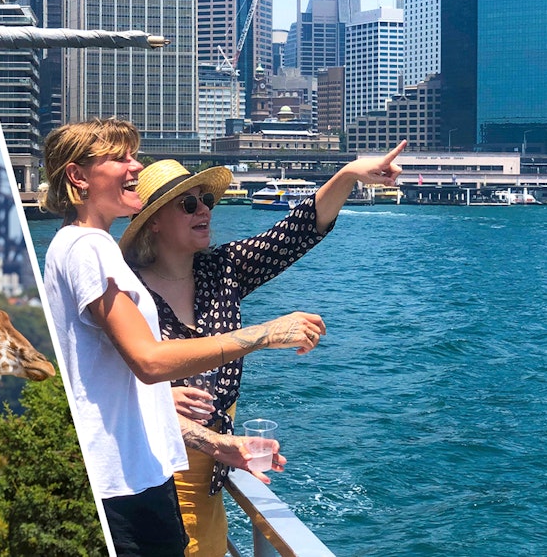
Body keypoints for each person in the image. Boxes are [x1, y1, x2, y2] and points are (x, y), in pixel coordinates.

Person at [41, 118, 327, 557]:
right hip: (125, 483)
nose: (135, 166)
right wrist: (264, 334)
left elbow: (108, 376)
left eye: (133, 155)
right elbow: (149, 361)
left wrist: (219, 444)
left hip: (136, 474)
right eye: (119, 158)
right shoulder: (89, 248)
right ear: (78, 176)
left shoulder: (75, 245)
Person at [118, 141, 407, 557]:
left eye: (206, 200)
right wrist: (158, 396)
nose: (204, 210)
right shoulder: (126, 290)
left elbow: (295, 233)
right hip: (153, 479)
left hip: (213, 478)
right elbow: (108, 379)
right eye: (188, 205)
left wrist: (349, 174)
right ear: (154, 222)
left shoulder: (223, 270)